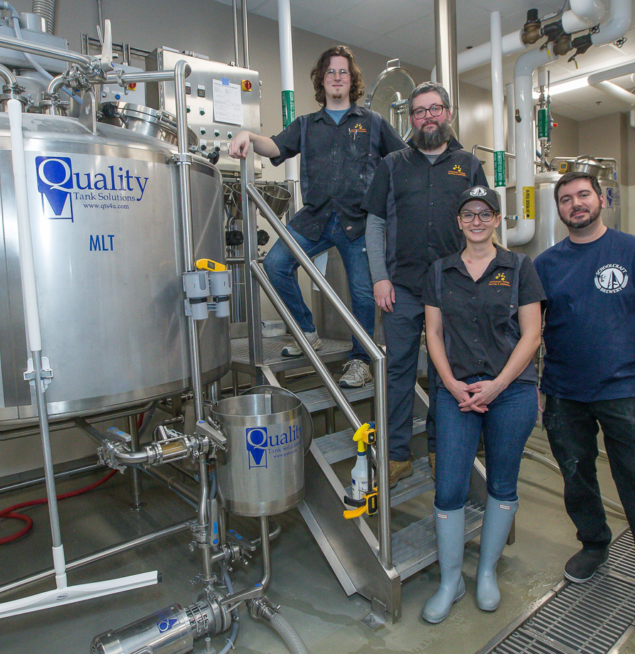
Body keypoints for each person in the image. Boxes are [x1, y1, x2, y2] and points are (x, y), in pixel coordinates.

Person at [533, 171, 635, 623]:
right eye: (566, 199)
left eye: (583, 195)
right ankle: (594, 544)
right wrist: (539, 388)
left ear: (601, 199)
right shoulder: (545, 264)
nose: (576, 204)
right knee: (576, 475)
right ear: (559, 209)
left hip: (626, 390)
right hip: (565, 391)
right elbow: (533, 332)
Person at [228, 45, 405, 388]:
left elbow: (402, 160)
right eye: (331, 72)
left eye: (343, 72)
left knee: (363, 295)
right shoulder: (307, 125)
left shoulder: (372, 122)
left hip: (358, 221)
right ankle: (307, 331)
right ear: (321, 81)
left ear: (351, 80)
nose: (337, 77)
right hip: (316, 218)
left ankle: (360, 360)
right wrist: (247, 134)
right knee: (276, 263)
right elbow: (276, 147)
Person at [420, 186, 544, 623]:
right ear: (459, 221)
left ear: (497, 219)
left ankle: (486, 572)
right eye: (468, 213)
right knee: (449, 487)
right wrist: (453, 385)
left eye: (485, 213)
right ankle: (450, 580)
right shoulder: (439, 271)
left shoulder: (520, 268)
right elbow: (433, 334)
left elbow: (531, 334)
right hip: (456, 392)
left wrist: (497, 385)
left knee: (502, 483)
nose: (476, 220)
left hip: (510, 392)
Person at [362, 81, 488, 487]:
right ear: (411, 118)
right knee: (397, 370)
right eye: (419, 111)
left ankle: (439, 448)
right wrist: (379, 277)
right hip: (401, 287)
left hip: (452, 288)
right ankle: (397, 454)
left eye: (435, 109)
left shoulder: (467, 164)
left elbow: (482, 224)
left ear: (448, 114)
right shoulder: (393, 164)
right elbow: (375, 223)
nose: (428, 117)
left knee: (446, 372)